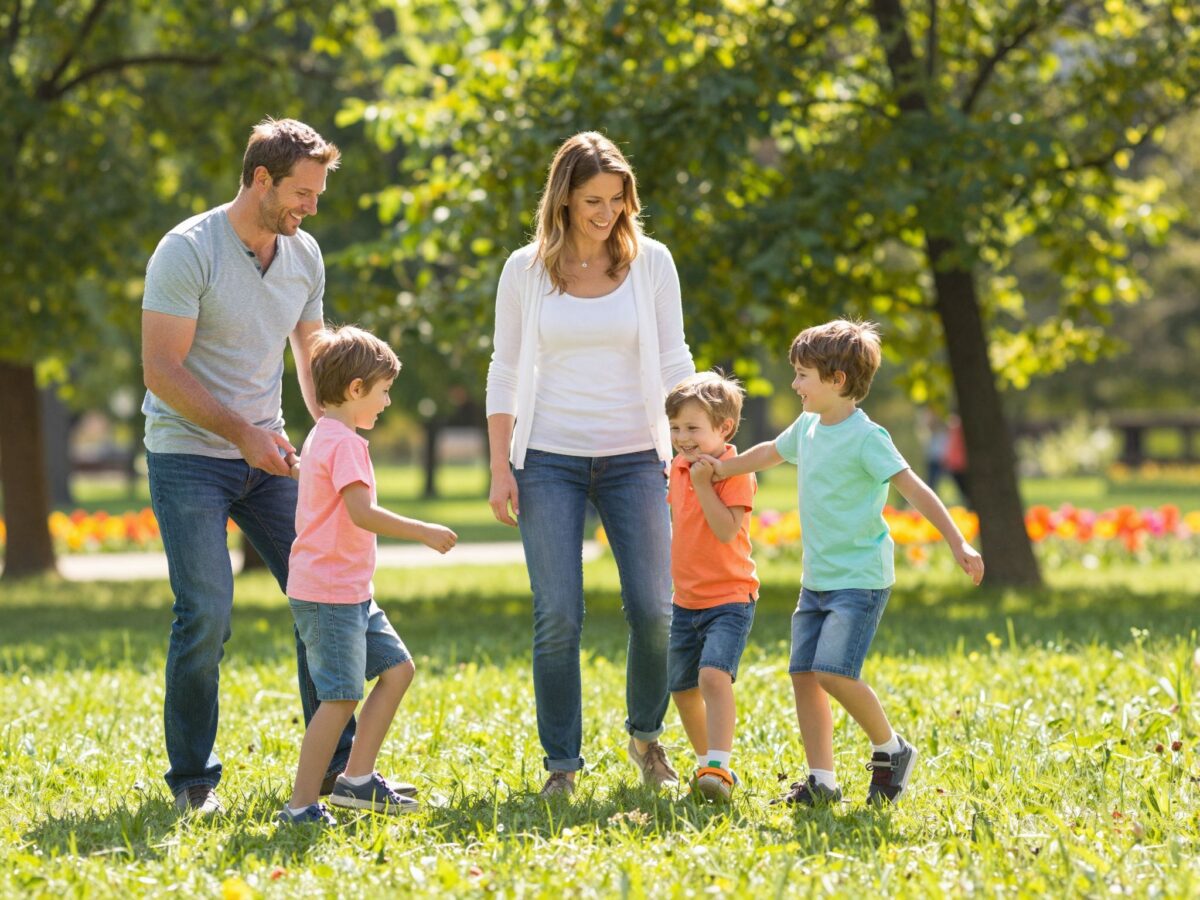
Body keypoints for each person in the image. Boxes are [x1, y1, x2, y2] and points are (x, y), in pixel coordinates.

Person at [141, 117, 354, 815]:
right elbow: (161, 370)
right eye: (301, 192)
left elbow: (312, 347)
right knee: (205, 610)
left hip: (271, 453)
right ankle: (193, 781)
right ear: (260, 179)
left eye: (317, 193)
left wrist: (334, 428)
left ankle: (335, 770)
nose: (311, 206)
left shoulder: (303, 254)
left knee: (321, 597)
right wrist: (240, 435)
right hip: (190, 454)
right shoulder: (187, 250)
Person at [485, 131, 696, 797]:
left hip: (636, 454)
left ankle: (646, 737)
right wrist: (499, 464)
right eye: (592, 201)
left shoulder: (651, 262)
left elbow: (673, 357)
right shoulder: (525, 270)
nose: (606, 214)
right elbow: (504, 368)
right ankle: (562, 765)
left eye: (617, 199)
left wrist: (697, 445)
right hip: (548, 457)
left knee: (655, 608)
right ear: (564, 200)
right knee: (558, 613)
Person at [705, 319, 984, 807]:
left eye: (802, 375)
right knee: (804, 675)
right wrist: (725, 467)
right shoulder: (808, 427)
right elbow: (772, 452)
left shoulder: (866, 438)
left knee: (834, 671)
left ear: (836, 380)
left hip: (859, 579)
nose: (794, 385)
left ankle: (891, 749)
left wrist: (958, 541)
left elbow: (914, 488)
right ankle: (822, 781)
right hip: (816, 580)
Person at [279, 326, 457, 825]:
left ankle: (356, 781)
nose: (387, 401)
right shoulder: (345, 444)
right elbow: (362, 511)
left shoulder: (324, 435)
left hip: (349, 591)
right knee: (338, 698)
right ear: (356, 389)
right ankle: (300, 806)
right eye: (382, 391)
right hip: (331, 593)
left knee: (397, 669)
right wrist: (422, 530)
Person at [664, 372, 759, 802]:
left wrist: (704, 485)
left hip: (729, 599)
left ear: (724, 429)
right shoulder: (678, 467)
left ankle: (718, 765)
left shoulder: (736, 472)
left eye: (693, 429)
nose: (682, 438)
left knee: (712, 677)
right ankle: (709, 766)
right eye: (676, 428)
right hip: (685, 601)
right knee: (683, 690)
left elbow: (724, 531)